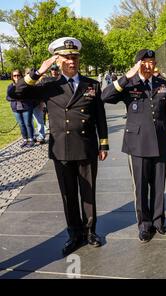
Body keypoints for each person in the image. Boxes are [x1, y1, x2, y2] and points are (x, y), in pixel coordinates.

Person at [8, 37, 109, 255]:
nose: (72, 61)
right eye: (66, 58)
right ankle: (74, 234)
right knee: (68, 194)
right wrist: (37, 73)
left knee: (88, 193)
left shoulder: (92, 85)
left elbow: (100, 116)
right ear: (57, 60)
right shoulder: (48, 86)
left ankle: (90, 231)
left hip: (86, 146)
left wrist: (104, 144)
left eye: (74, 57)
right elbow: (15, 93)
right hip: (61, 148)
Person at [102, 49, 166, 242]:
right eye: (145, 62)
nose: (149, 66)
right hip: (137, 144)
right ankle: (144, 225)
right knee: (141, 187)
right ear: (137, 64)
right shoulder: (129, 84)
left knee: (159, 185)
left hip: (160, 142)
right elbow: (105, 96)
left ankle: (159, 222)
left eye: (152, 62)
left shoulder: (163, 84)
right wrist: (128, 75)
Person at [6, 70, 35, 148]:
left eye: (18, 75)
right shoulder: (10, 86)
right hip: (16, 108)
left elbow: (31, 96)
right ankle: (25, 140)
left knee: (28, 124)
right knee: (21, 125)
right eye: (14, 76)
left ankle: (31, 139)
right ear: (12, 77)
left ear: (21, 76)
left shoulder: (26, 85)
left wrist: (19, 97)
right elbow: (8, 97)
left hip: (26, 107)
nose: (16, 77)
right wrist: (16, 97)